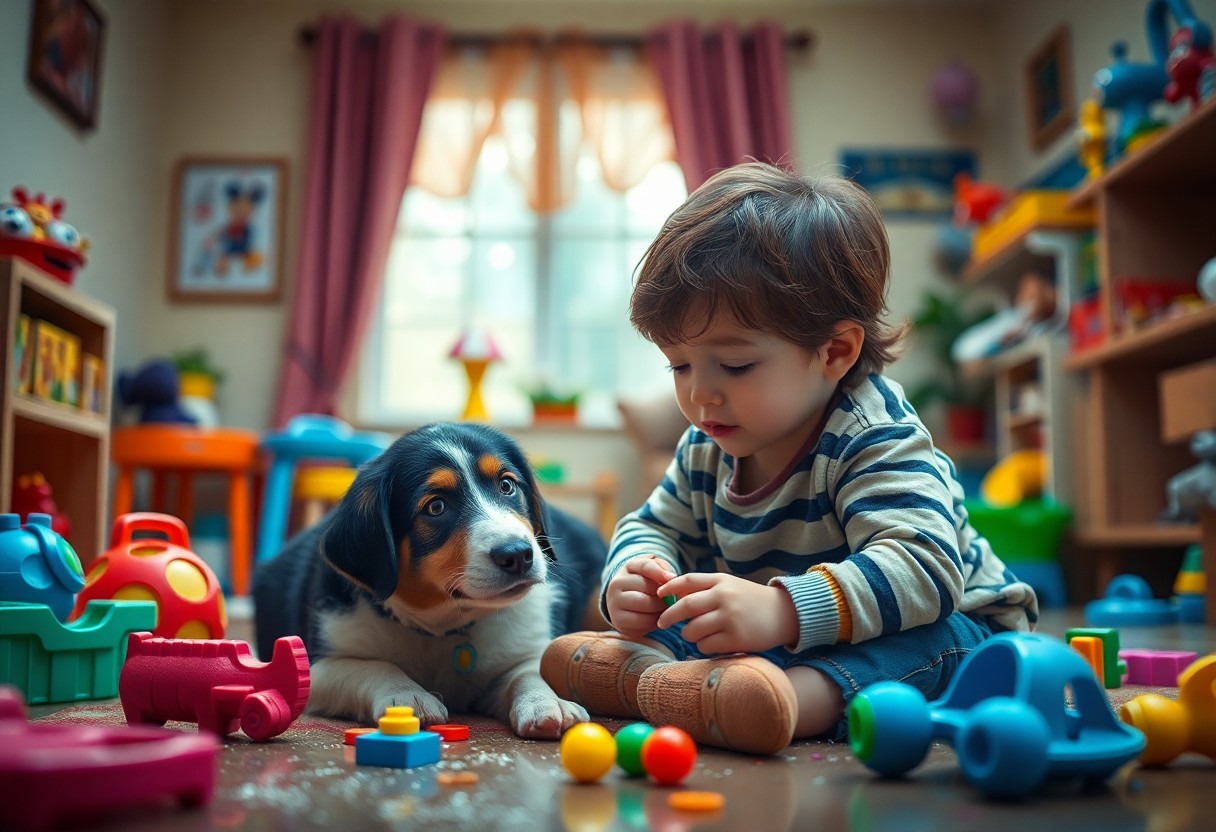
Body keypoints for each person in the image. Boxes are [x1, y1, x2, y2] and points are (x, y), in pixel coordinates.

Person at [540, 162, 1038, 755]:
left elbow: (923, 569)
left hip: (958, 628)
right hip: (789, 641)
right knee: (708, 630)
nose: (699, 393)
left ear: (834, 351)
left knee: (922, 644)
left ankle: (782, 703)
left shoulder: (873, 434)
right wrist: (636, 573)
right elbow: (651, 524)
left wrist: (782, 608)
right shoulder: (708, 440)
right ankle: (665, 677)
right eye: (679, 365)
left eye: (736, 365)